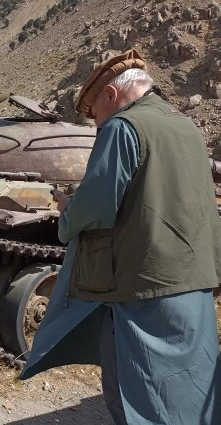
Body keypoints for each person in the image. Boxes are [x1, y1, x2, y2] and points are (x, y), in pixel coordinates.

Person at [20, 49, 221, 424]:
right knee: (192, 384)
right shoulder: (184, 125)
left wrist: (67, 213)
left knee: (140, 393)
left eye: (94, 111)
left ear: (111, 95)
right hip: (195, 277)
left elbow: (96, 206)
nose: (96, 122)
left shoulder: (122, 127)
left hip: (143, 285)